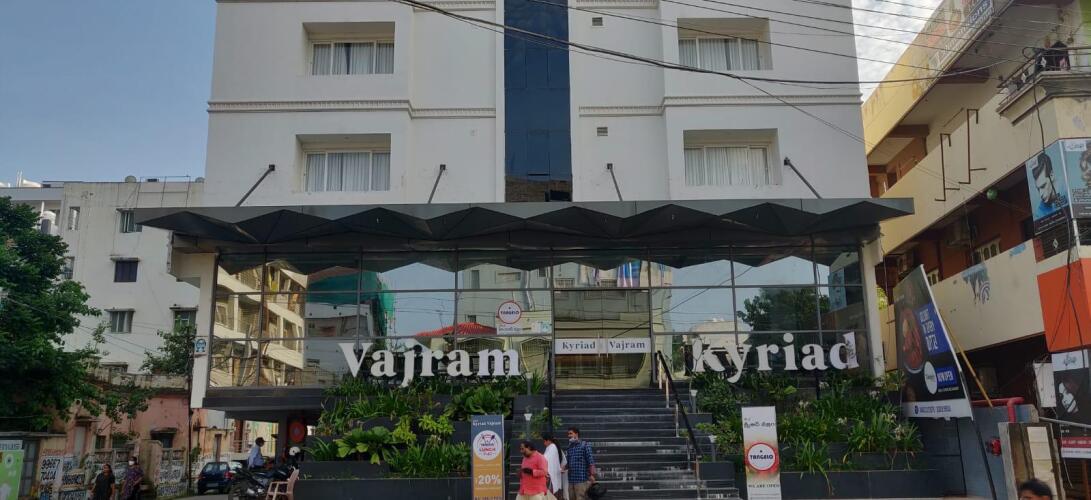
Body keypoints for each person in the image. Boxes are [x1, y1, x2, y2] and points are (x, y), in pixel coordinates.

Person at [562, 427, 595, 500]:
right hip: (571, 480)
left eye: (570, 433)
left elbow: (591, 461)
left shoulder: (585, 445)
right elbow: (568, 462)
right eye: (568, 434)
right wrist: (564, 468)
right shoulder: (569, 447)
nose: (569, 435)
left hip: (581, 480)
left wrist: (592, 475)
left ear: (576, 434)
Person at [541, 433, 565, 499]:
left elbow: (545, 460)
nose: (544, 443)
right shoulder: (552, 447)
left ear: (548, 440)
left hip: (551, 476)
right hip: (553, 476)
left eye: (544, 441)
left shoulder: (552, 447)